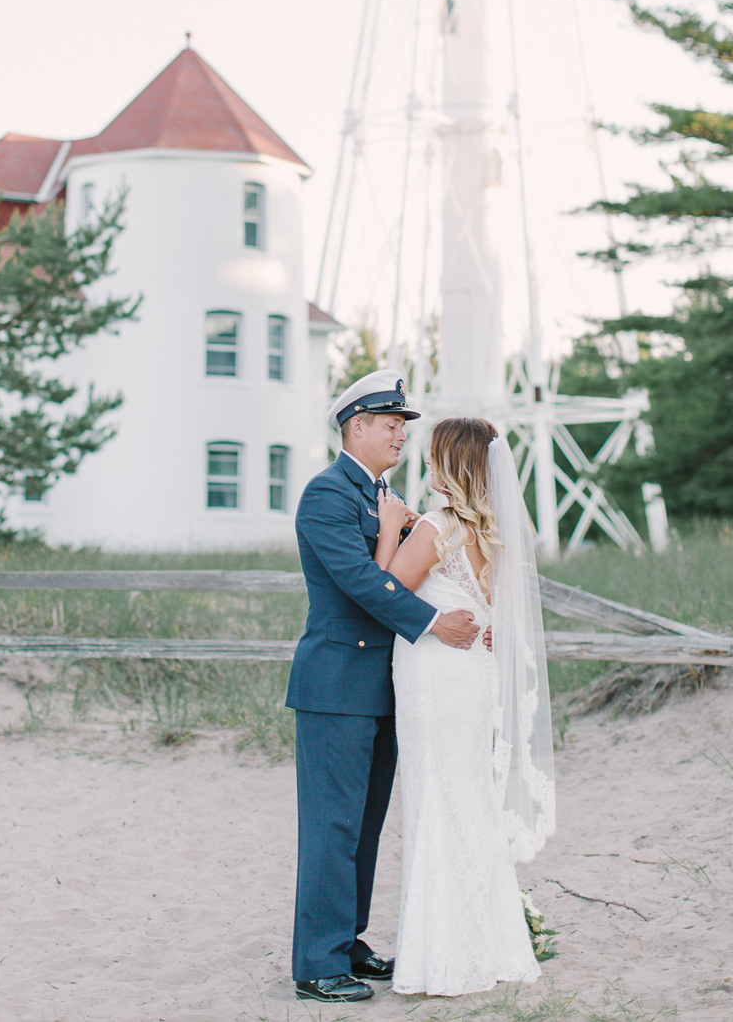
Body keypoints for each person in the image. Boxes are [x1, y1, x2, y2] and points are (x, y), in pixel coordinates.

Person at [286, 370, 483, 1004]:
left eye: (404, 426)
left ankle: (346, 942)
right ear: (356, 427)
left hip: (389, 688)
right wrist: (434, 623)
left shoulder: (385, 496)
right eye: (391, 425)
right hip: (336, 685)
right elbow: (361, 584)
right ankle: (317, 963)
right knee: (332, 826)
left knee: (366, 824)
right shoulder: (328, 495)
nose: (401, 434)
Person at [374, 416, 553, 996]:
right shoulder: (496, 530)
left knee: (436, 800)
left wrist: (385, 531)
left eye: (432, 456)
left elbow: (383, 593)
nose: (425, 464)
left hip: (435, 676)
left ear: (452, 464)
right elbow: (501, 609)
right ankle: (492, 943)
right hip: (472, 676)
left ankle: (444, 956)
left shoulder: (434, 527)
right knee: (468, 799)